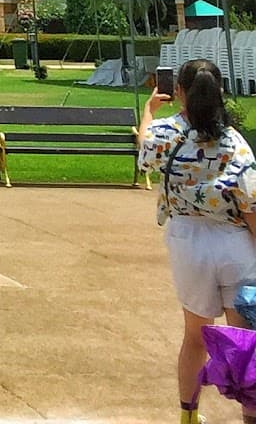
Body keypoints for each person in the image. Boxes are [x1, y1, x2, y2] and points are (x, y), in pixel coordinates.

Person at [137, 58, 256, 424]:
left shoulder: (164, 132)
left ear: (180, 92)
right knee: (244, 339)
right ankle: (251, 413)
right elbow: (250, 204)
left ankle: (189, 414)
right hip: (234, 242)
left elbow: (144, 151)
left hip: (187, 240)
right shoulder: (234, 142)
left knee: (196, 335)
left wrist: (147, 111)